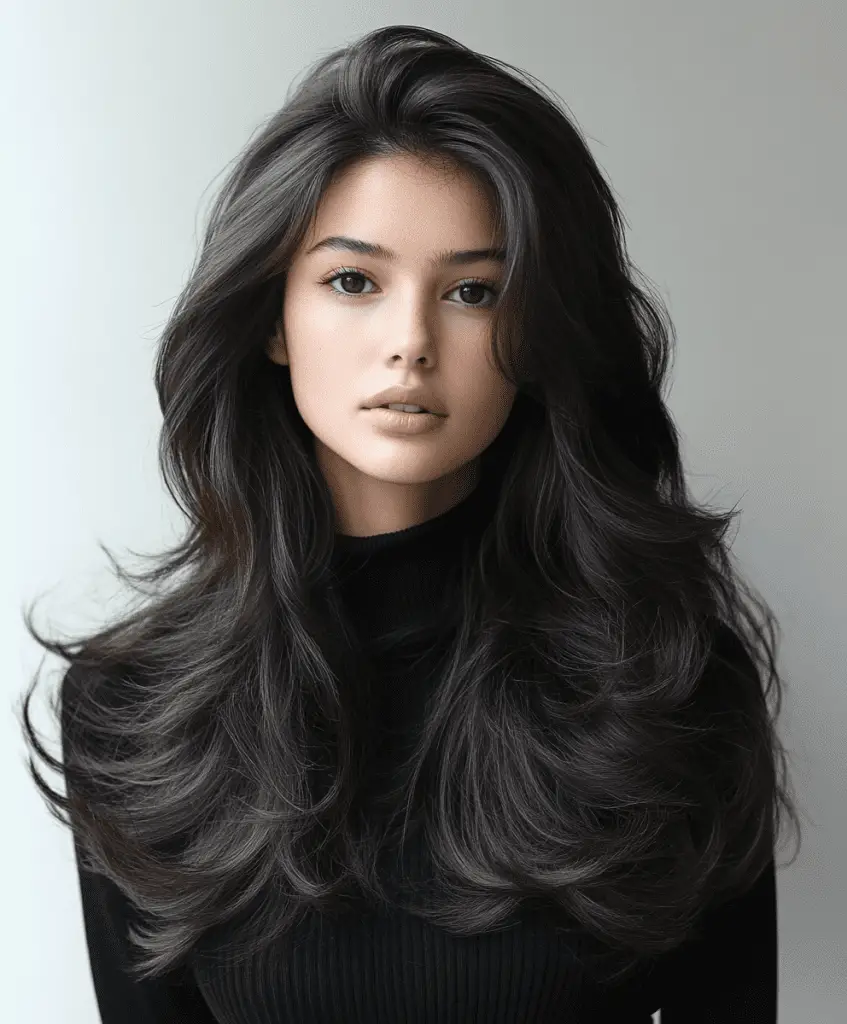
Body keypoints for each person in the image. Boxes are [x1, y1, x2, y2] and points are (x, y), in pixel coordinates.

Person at [19, 24, 802, 1024]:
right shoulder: (133, 719)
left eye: (473, 292)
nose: (411, 344)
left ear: (538, 333)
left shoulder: (667, 685)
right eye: (353, 281)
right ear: (271, 318)